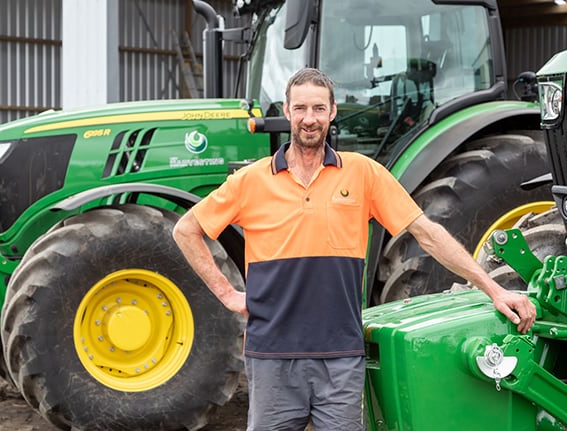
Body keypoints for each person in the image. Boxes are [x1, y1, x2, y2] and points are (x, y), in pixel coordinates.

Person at [172, 67, 536, 431]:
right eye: (300, 109)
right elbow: (186, 230)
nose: (309, 119)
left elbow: (426, 233)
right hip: (273, 357)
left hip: (340, 357)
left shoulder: (364, 173)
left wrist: (494, 289)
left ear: (332, 112)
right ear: (287, 111)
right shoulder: (250, 181)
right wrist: (228, 294)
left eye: (318, 108)